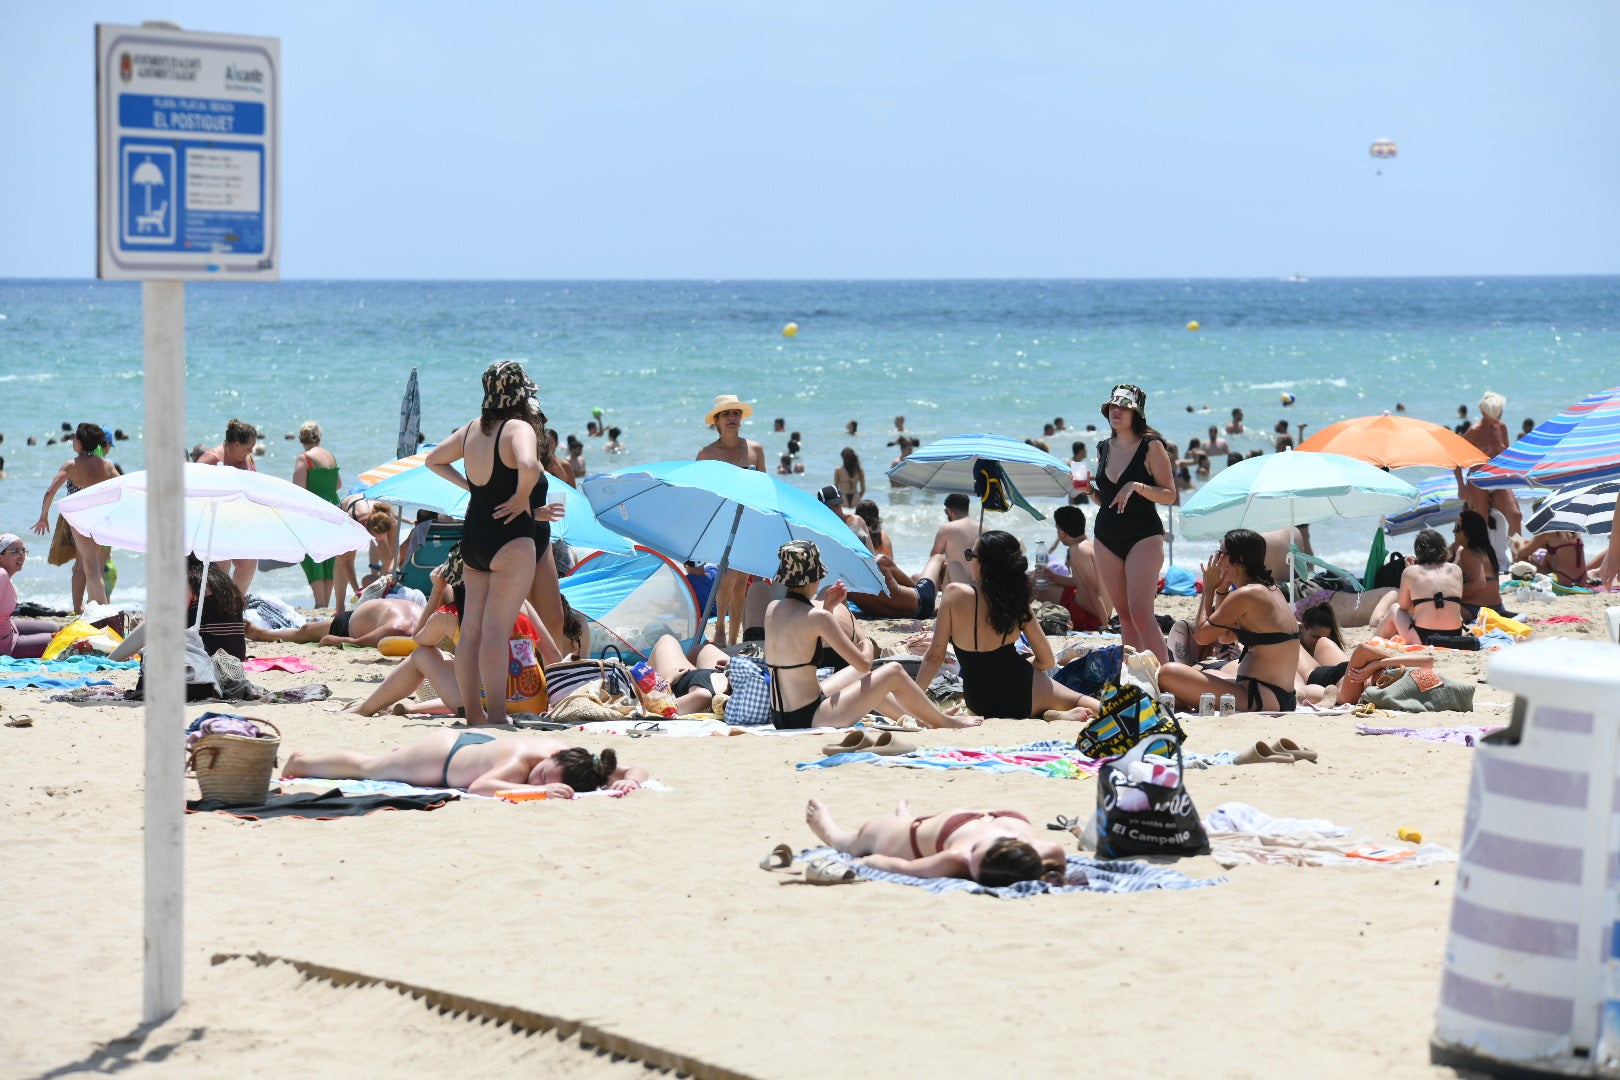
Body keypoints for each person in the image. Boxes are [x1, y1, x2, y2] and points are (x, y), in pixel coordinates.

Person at [425, 361, 553, 726]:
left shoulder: (470, 430)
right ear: (521, 396)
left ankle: (474, 715)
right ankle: (497, 714)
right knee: (497, 631)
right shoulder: (518, 428)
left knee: (473, 631)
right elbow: (528, 465)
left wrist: (472, 488)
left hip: (475, 535)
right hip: (510, 540)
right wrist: (522, 498)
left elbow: (433, 459)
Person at [764, 540, 978, 729]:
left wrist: (828, 608)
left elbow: (802, 643)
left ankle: (923, 718)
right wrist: (862, 635)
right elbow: (864, 663)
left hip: (781, 715)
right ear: (813, 579)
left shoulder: (773, 608)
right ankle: (945, 722)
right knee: (892, 671)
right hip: (810, 716)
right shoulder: (817, 617)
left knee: (864, 680)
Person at [916, 530, 1097, 722]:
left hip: (979, 702)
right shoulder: (1016, 601)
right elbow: (1047, 662)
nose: (970, 561)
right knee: (1079, 699)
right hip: (1023, 695)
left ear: (983, 563)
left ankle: (1049, 714)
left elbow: (934, 657)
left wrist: (914, 700)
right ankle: (1124, 716)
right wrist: (1029, 663)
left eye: (971, 556)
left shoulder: (953, 594)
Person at [1158, 528, 1301, 712]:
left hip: (1257, 696)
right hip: (1277, 695)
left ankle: (1183, 699)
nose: (1216, 558)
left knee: (1168, 673)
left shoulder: (1247, 594)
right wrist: (1223, 588)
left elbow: (1201, 636)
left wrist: (1208, 588)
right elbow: (1225, 637)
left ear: (1238, 560)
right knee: (1206, 671)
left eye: (1221, 553)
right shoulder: (1270, 589)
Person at [285, 732, 645, 799]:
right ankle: (301, 763)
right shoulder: (522, 763)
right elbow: (480, 788)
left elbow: (634, 770)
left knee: (385, 763)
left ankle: (404, 755)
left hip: (476, 747)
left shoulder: (581, 761)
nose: (537, 778)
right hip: (445, 756)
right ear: (552, 758)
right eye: (542, 773)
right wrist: (538, 788)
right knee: (369, 768)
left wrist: (629, 783)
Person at [1090, 384, 1177, 661]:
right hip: (1106, 537)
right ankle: (1134, 678)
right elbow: (1107, 499)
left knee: (1141, 614)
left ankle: (1166, 679)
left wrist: (1136, 486)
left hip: (1143, 536)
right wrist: (1089, 491)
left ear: (1135, 413)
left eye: (1123, 407)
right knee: (1125, 617)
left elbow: (1169, 494)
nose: (1116, 411)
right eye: (1112, 406)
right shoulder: (1104, 447)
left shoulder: (1152, 446)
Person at [805, 798, 1066, 886]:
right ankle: (910, 818)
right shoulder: (1051, 850)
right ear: (1013, 839)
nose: (967, 856)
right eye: (974, 851)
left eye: (969, 866)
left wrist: (863, 861)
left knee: (862, 839)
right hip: (949, 824)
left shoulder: (957, 857)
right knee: (904, 825)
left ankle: (831, 834)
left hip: (913, 837)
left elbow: (899, 867)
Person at [697, 394, 766, 646]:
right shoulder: (706, 454)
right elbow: (699, 493)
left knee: (740, 582)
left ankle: (733, 636)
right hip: (723, 520)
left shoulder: (755, 450)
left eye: (735, 413)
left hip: (749, 520)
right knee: (726, 576)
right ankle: (720, 632)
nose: (732, 418)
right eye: (726, 414)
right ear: (716, 421)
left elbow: (764, 489)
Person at [32, 422, 120, 610]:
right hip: (100, 519)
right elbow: (122, 488)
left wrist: (43, 516)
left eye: (74, 439)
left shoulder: (72, 465)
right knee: (93, 566)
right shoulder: (107, 465)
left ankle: (95, 609)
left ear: (79, 443)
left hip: (79, 519)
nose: (72, 441)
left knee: (87, 566)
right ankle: (98, 608)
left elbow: (50, 492)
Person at [195, 419, 260, 594]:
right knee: (221, 565)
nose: (251, 452)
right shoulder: (210, 459)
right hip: (213, 521)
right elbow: (192, 490)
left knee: (248, 562)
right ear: (236, 444)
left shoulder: (248, 458)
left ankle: (235, 606)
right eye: (248, 447)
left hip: (240, 521)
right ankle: (216, 608)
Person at [1373, 528, 1468, 645]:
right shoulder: (1456, 570)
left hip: (1423, 639)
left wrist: (1408, 571)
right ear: (1443, 547)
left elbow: (1404, 606)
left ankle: (1373, 640)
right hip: (1454, 635)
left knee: (1394, 608)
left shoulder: (1411, 572)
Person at [1031, 505, 1109, 632]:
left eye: (1057, 530)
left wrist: (1105, 625)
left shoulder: (1078, 550)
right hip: (1089, 609)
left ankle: (1017, 618)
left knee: (1033, 584)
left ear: (1062, 532)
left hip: (1088, 617)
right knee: (1038, 579)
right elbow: (1080, 582)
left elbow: (1094, 590)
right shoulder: (1089, 545)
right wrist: (1055, 578)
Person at [290, 421, 342, 608]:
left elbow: (299, 490)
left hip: (314, 510)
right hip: (333, 507)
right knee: (329, 557)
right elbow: (338, 485)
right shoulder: (330, 456)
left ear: (301, 438)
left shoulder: (305, 458)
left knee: (311, 557)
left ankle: (320, 603)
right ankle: (325, 604)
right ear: (319, 436)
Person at [245, 595, 426, 648]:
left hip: (357, 620)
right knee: (306, 629)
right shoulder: (398, 628)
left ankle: (262, 633)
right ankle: (262, 633)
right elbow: (359, 641)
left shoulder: (427, 621)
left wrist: (335, 640)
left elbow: (357, 642)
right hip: (355, 619)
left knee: (307, 630)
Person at [1461, 392, 1522, 534]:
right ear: (1483, 412)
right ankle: (1483, 554)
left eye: (1499, 412)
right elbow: (1457, 458)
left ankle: (1518, 553)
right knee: (1481, 520)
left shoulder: (1502, 427)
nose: (1498, 417)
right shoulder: (1475, 430)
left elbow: (1507, 455)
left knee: (1516, 516)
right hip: (1478, 479)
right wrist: (1461, 486)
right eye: (1494, 414)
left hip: (1498, 478)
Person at [0, 536, 59, 658]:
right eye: (15, 551)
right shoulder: (1, 575)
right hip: (4, 643)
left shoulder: (5, 574)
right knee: (59, 641)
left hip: (9, 627)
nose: (21, 555)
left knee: (55, 627)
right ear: (1, 556)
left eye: (23, 550)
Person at [646, 633, 732, 714]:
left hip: (679, 680)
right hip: (718, 676)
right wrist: (731, 665)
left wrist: (668, 680)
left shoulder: (702, 696)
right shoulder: (735, 684)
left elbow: (657, 707)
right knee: (702, 649)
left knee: (667, 640)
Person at [1452, 509, 1506, 617]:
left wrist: (1451, 593)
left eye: (1457, 528)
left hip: (1476, 609)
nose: (1454, 531)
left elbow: (1479, 584)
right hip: (1498, 608)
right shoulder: (1486, 551)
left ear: (1469, 531)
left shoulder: (1468, 553)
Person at [926, 492, 982, 585]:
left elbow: (934, 557)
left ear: (949, 511)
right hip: (979, 586)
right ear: (967, 508)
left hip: (956, 586)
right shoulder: (983, 527)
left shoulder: (947, 528)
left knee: (919, 575)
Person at [1513, 529, 1592, 589]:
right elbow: (1561, 546)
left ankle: (1545, 576)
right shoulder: (1574, 530)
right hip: (1582, 580)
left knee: (1520, 558)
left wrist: (1519, 543)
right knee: (1550, 554)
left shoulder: (1547, 531)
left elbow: (1521, 554)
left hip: (1562, 580)